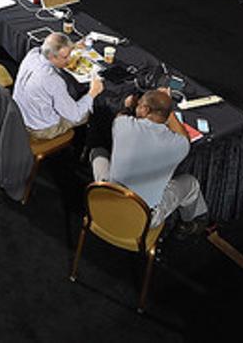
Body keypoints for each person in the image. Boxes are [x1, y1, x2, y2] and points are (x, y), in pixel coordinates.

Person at [89, 89, 209, 235]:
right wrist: (168, 111)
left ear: (145, 109)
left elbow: (121, 114)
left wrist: (129, 106)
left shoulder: (122, 125)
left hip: (106, 201)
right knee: (190, 183)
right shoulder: (180, 146)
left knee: (98, 152)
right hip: (143, 216)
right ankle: (192, 223)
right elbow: (185, 137)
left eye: (139, 105)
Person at [14, 32, 103, 140]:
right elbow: (75, 115)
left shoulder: (33, 54)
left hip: (19, 115)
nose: (69, 60)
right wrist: (93, 92)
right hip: (40, 129)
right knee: (93, 111)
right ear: (52, 57)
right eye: (65, 57)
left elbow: (51, 46)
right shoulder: (51, 79)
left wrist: (73, 47)